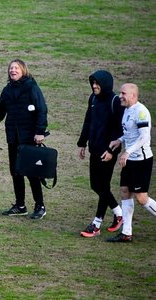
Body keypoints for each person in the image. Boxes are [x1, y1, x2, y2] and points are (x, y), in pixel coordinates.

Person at [0, 59, 49, 219]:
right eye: (11, 68)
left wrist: (40, 131)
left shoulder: (31, 87)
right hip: (13, 138)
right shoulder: (7, 90)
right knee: (16, 172)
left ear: (23, 70)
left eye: (16, 68)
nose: (13, 70)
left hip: (30, 138)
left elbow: (42, 109)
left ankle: (40, 206)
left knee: (32, 173)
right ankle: (20, 205)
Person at [77, 70, 125, 237]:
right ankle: (120, 214)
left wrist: (112, 151)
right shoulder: (93, 99)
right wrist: (82, 143)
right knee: (95, 185)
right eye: (93, 83)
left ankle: (96, 224)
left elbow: (119, 130)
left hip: (108, 153)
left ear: (105, 84)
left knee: (103, 186)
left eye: (97, 83)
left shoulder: (115, 102)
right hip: (94, 149)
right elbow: (88, 120)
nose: (94, 86)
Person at [107, 83, 155, 242]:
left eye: (123, 93)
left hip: (141, 161)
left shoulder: (141, 112)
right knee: (125, 191)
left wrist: (127, 151)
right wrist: (119, 140)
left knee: (141, 198)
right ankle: (126, 233)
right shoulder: (127, 109)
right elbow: (130, 133)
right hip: (130, 160)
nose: (120, 96)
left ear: (134, 96)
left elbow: (144, 137)